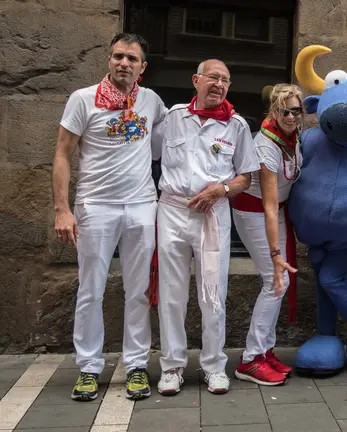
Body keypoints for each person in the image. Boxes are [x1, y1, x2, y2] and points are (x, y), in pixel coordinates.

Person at [52, 33, 166, 402]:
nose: (124, 63)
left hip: (140, 205)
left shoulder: (151, 102)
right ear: (108, 60)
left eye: (132, 59)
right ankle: (88, 367)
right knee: (91, 289)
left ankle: (135, 365)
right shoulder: (82, 99)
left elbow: (168, 147)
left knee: (138, 291)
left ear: (142, 67)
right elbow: (62, 155)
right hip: (95, 206)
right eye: (118, 56)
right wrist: (62, 209)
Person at [153, 59, 260, 396]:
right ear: (196, 80)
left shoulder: (237, 126)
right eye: (213, 77)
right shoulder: (172, 117)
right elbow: (147, 154)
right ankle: (172, 367)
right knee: (171, 294)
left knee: (213, 294)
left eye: (225, 80)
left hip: (213, 214)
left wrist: (221, 189)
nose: (219, 84)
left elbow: (246, 176)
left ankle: (214, 366)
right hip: (172, 211)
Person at [231, 84, 303, 386]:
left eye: (295, 110)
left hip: (274, 213)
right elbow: (271, 206)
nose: (290, 116)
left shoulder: (293, 137)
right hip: (255, 212)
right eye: (283, 110)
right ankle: (250, 359)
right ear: (273, 111)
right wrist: (276, 255)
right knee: (276, 280)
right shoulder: (265, 145)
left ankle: (265, 350)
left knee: (279, 283)